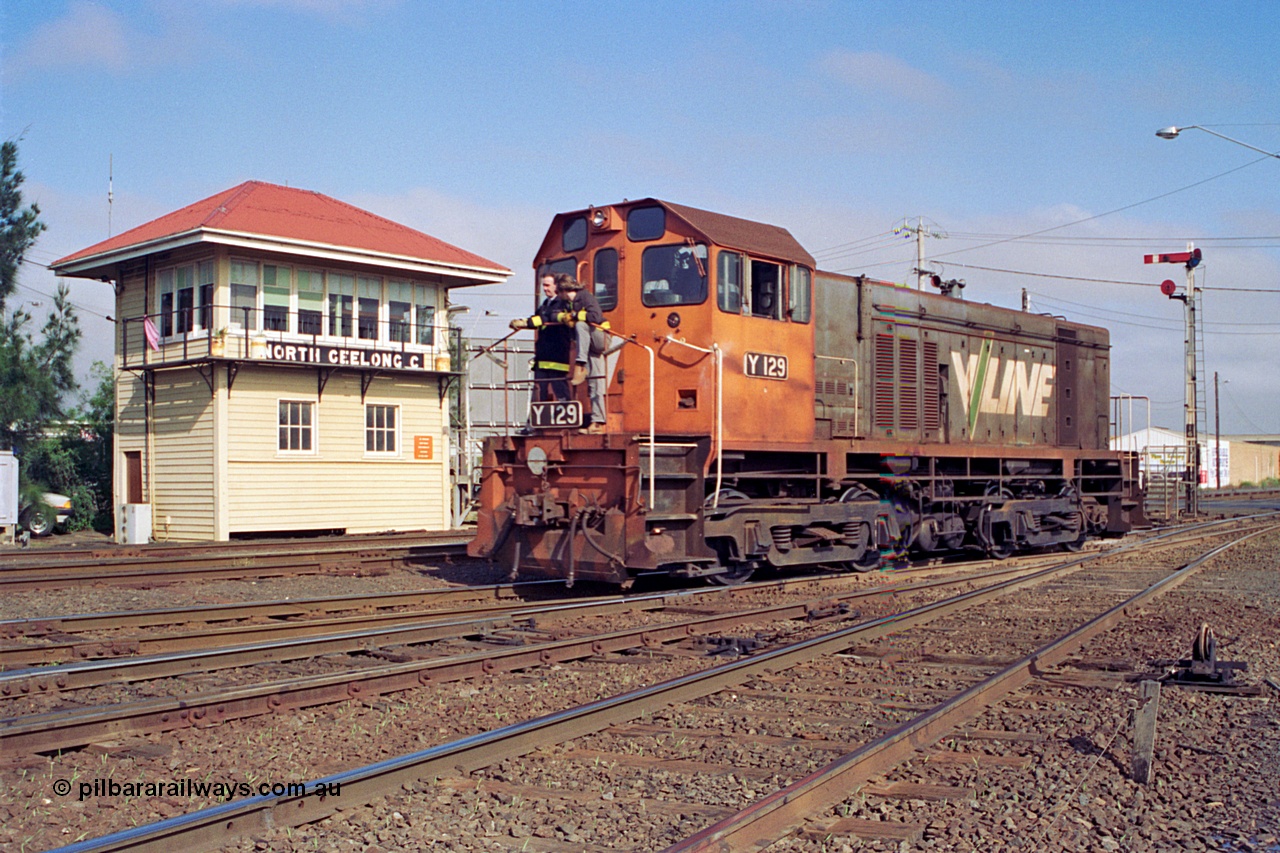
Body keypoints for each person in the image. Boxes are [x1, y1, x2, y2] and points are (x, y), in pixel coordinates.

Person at [554, 274, 609, 434]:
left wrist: (575, 316)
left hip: (600, 338)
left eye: (558, 291)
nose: (557, 294)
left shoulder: (586, 297)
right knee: (595, 382)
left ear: (565, 290)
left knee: (580, 325)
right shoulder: (566, 304)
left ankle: (580, 364)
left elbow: (595, 316)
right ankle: (597, 422)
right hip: (587, 346)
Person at [510, 273, 571, 408]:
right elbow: (538, 317)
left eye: (547, 285)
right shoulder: (544, 305)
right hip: (543, 356)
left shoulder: (562, 304)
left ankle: (566, 413)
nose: (544, 288)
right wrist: (523, 321)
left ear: (556, 286)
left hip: (557, 356)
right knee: (540, 391)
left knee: (559, 388)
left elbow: (546, 319)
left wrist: (525, 323)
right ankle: (538, 421)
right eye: (543, 285)